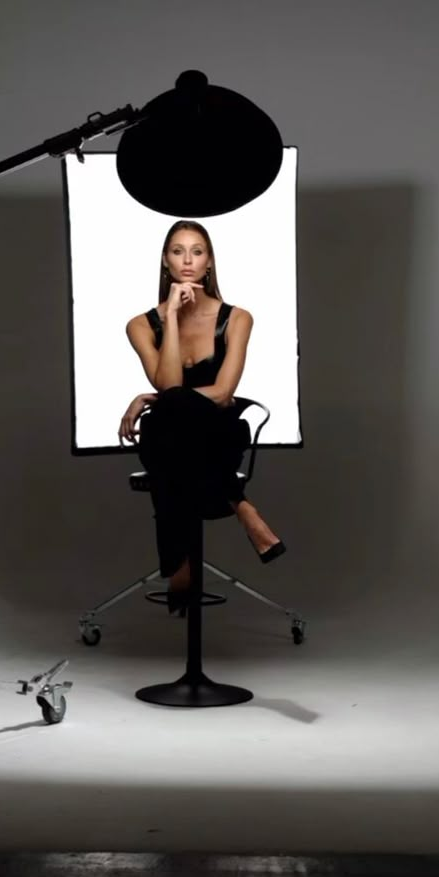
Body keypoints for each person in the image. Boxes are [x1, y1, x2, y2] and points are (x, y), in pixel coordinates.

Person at [118, 219, 286, 614]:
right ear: (165, 261)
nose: (188, 260)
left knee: (167, 417)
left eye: (197, 251)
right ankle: (240, 504)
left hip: (219, 431)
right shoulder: (142, 325)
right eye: (178, 251)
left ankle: (178, 567)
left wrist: (152, 400)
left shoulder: (237, 317)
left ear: (209, 262)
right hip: (174, 439)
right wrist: (172, 318)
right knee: (169, 424)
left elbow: (224, 392)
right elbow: (169, 381)